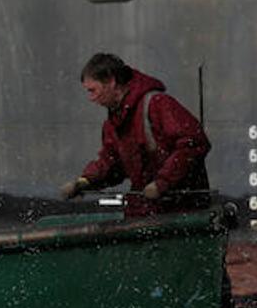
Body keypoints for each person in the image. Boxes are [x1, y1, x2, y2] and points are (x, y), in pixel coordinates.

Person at [60, 53, 211, 216]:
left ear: (111, 81)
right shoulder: (114, 122)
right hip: (145, 213)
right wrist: (85, 181)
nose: (91, 98)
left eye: (93, 90)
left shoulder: (157, 105)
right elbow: (112, 163)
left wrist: (163, 182)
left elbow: (193, 142)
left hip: (184, 213)